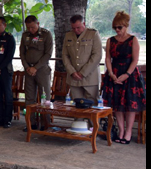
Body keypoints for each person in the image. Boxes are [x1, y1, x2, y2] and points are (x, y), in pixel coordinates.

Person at [102, 11, 146, 144]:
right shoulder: (111, 40)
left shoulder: (133, 40)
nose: (117, 30)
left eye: (119, 27)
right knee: (116, 105)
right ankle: (120, 131)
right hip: (114, 73)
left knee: (129, 105)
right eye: (115, 27)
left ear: (125, 26)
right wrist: (111, 73)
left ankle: (128, 133)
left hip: (130, 75)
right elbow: (108, 58)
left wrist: (126, 75)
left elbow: (135, 60)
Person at [20, 16, 53, 131]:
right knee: (29, 98)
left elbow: (48, 54)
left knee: (45, 98)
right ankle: (31, 123)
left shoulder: (46, 34)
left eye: (33, 27)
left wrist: (36, 67)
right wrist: (28, 67)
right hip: (28, 70)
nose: (31, 30)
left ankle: (45, 124)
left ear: (38, 24)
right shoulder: (25, 35)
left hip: (42, 70)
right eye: (28, 27)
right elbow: (22, 53)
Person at [62, 14, 102, 104]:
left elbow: (97, 55)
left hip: (90, 77)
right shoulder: (68, 35)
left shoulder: (93, 34)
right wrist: (72, 72)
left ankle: (91, 119)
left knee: (92, 105)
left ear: (84, 23)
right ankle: (78, 119)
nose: (76, 30)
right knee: (77, 105)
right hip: (74, 78)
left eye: (78, 27)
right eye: (73, 28)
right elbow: (65, 55)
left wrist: (83, 73)